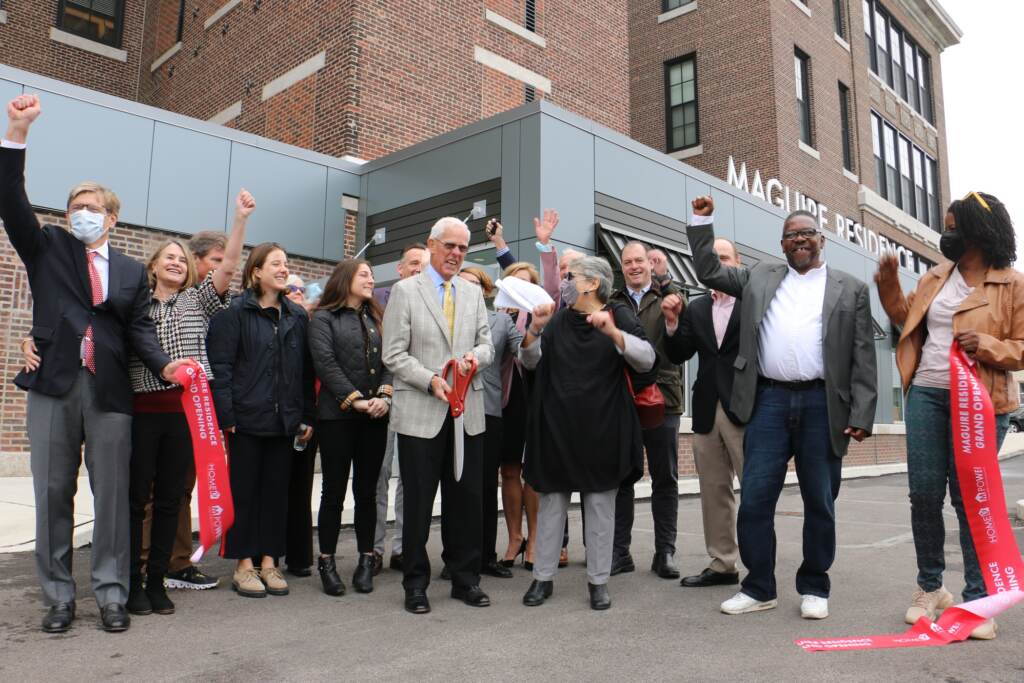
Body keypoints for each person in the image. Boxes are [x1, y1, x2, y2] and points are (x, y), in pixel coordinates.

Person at [1, 94, 187, 633]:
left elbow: (138, 330)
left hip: (110, 394)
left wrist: (167, 367)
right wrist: (16, 133)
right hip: (54, 386)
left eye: (92, 207)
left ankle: (110, 592)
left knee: (112, 496)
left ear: (112, 216)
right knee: (53, 492)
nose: (81, 214)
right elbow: (10, 199)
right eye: (74, 207)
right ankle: (59, 596)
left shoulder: (131, 271)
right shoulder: (48, 248)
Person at [686, 195, 877, 620]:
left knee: (820, 500)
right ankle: (758, 587)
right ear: (782, 244)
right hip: (767, 401)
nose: (800, 240)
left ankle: (814, 585)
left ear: (821, 240)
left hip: (822, 403)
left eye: (807, 233)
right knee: (754, 498)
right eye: (792, 235)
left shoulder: (851, 288)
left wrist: (861, 415)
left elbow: (863, 357)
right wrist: (702, 223)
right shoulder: (759, 277)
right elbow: (709, 270)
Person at [876, 191, 1023, 640]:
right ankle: (930, 588)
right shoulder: (936, 276)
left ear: (980, 231)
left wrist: (991, 346)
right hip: (927, 394)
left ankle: (978, 598)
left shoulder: (1011, 284)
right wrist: (888, 288)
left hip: (980, 404)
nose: (947, 234)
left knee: (968, 499)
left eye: (954, 226)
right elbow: (910, 321)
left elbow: (1021, 347)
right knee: (923, 493)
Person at [125, 190, 254, 617]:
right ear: (153, 266)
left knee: (169, 499)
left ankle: (159, 578)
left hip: (186, 414)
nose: (177, 262)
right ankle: (134, 580)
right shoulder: (134, 305)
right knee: (137, 497)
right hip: (143, 410)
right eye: (169, 257)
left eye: (182, 258)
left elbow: (230, 266)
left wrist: (239, 221)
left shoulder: (197, 302)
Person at [519, 256, 656, 611]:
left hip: (603, 426)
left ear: (592, 284)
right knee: (552, 505)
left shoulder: (619, 315)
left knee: (599, 506)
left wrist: (612, 332)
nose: (564, 282)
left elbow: (647, 359)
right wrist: (534, 331)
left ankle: (598, 582)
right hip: (557, 427)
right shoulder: (557, 319)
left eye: (571, 276)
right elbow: (530, 362)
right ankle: (542, 579)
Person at [381, 217, 494, 614]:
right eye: (450, 246)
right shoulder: (405, 291)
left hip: (467, 412)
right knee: (417, 504)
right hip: (421, 412)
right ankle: (415, 584)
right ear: (431, 245)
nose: (457, 254)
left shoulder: (472, 292)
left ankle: (466, 579)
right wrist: (430, 379)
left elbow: (487, 345)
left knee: (466, 501)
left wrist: (473, 359)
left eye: (463, 248)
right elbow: (393, 354)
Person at [207, 242, 316, 599]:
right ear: (256, 272)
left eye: (286, 264)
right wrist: (228, 415)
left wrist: (305, 414)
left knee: (275, 493)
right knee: (245, 494)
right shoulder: (234, 313)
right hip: (246, 419)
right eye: (276, 264)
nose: (284, 269)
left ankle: (269, 562)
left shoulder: (297, 316)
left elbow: (304, 372)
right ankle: (243, 565)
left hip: (284, 421)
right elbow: (221, 369)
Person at [489, 211, 574, 567]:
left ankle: (539, 539)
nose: (521, 287)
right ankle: (515, 537)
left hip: (539, 396)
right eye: (515, 283)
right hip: (508, 396)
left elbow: (550, 284)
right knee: (509, 469)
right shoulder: (499, 313)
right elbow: (513, 273)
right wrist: (499, 244)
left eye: (529, 283)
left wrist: (544, 244)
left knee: (534, 470)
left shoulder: (544, 308)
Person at [662, 239, 746, 588]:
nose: (718, 265)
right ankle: (723, 564)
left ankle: (761, 566)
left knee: (756, 491)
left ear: (737, 265)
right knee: (714, 491)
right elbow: (680, 353)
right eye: (712, 260)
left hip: (745, 408)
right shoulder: (696, 308)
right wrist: (670, 323)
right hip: (706, 410)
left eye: (723, 258)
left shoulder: (753, 300)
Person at [309, 259, 393, 596]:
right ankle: (327, 560)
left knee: (367, 493)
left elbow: (390, 360)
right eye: (364, 274)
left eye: (372, 275)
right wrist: (355, 399)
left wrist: (384, 397)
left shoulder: (377, 317)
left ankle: (365, 559)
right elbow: (325, 363)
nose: (371, 279)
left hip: (375, 417)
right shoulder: (323, 319)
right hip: (337, 418)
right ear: (345, 279)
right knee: (333, 492)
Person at [609, 241, 684, 579]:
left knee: (665, 477)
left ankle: (664, 552)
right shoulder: (612, 302)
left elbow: (683, 340)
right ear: (621, 266)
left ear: (650, 265)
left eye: (640, 260)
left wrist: (667, 280)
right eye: (628, 262)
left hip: (662, 398)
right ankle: (619, 552)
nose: (634, 266)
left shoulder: (668, 296)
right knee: (623, 476)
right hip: (621, 400)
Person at [459, 265, 522, 579]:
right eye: (462, 283)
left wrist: (535, 327)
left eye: (474, 284)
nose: (468, 288)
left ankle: (485, 556)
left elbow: (524, 353)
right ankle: (456, 557)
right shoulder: (448, 315)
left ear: (485, 290)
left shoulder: (502, 320)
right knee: (457, 485)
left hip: (488, 410)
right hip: (453, 407)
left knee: (485, 486)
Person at [373, 242, 429, 574]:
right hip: (381, 397)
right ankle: (375, 548)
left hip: (418, 397)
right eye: (412, 263)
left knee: (410, 478)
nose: (418, 269)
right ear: (400, 268)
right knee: (379, 474)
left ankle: (404, 548)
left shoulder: (434, 300)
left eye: (424, 264)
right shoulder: (377, 299)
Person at [282, 273, 318, 578]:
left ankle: (298, 555)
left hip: (304, 416)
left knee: (299, 488)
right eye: (290, 289)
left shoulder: (310, 324)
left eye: (301, 290)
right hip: (270, 417)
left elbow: (311, 374)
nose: (296, 293)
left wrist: (308, 415)